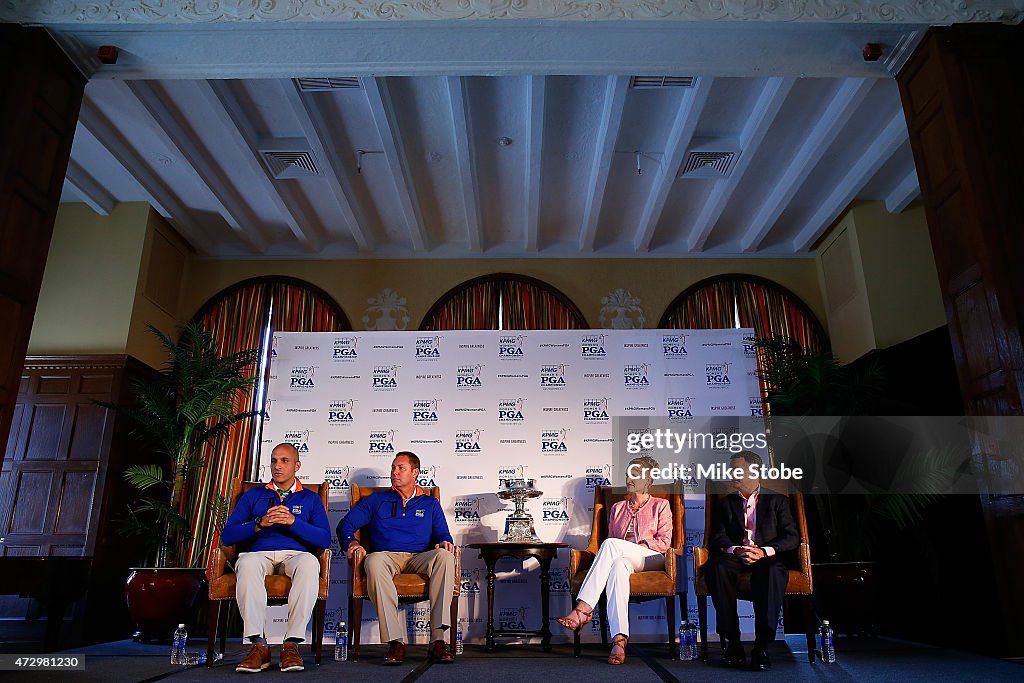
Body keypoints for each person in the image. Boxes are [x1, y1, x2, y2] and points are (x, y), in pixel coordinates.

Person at [337, 451, 457, 665]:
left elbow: (443, 535)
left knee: (446, 557)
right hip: (387, 557)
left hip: (419, 557)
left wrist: (445, 542)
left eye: (400, 468)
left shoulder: (429, 503)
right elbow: (345, 525)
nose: (394, 472)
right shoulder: (377, 500)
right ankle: (395, 641)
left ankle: (438, 640)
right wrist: (352, 542)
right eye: (393, 467)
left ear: (415, 473)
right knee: (372, 561)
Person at [221, 442, 332, 673]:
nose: (277, 466)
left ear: (297, 465)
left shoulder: (310, 499)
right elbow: (228, 535)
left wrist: (293, 522)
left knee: (311, 563)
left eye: (284, 461)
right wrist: (259, 524)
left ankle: (291, 645)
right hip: (259, 554)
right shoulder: (254, 495)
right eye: (274, 460)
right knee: (246, 563)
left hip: (295, 555)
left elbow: (324, 540)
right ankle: (258, 645)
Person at [555, 455, 673, 665]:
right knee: (617, 565)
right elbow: (613, 551)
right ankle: (619, 640)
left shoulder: (660, 505)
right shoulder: (618, 507)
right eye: (628, 473)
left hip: (652, 557)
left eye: (636, 474)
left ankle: (583, 608)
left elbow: (664, 542)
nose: (630, 478)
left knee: (609, 544)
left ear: (648, 480)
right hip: (624, 558)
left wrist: (641, 546)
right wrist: (623, 550)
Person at [705, 449, 798, 672]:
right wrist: (737, 550)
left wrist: (764, 551)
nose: (730, 473)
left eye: (735, 469)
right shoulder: (725, 503)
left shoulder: (777, 501)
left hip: (765, 556)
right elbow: (717, 537)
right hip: (735, 557)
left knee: (773, 572)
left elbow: (791, 537)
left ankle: (761, 646)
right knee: (717, 568)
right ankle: (733, 644)